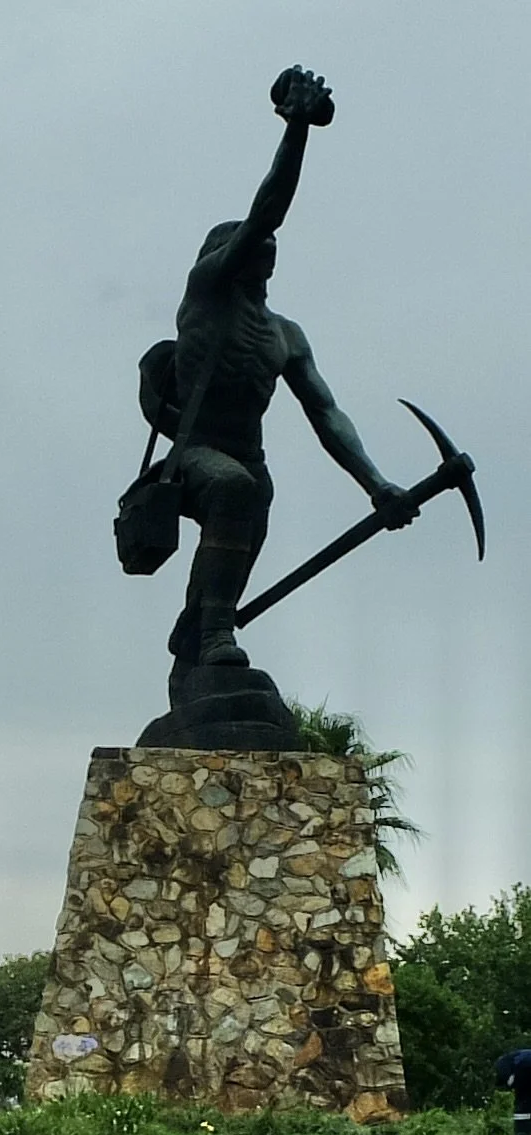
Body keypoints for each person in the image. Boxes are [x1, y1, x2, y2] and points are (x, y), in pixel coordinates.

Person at [154, 65, 416, 687]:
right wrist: (298, 128)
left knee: (242, 526)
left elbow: (327, 415)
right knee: (233, 492)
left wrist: (376, 485)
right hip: (195, 456)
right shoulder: (208, 293)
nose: (263, 248)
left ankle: (195, 637)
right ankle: (216, 630)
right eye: (248, 243)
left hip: (252, 462)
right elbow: (265, 212)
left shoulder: (285, 335)